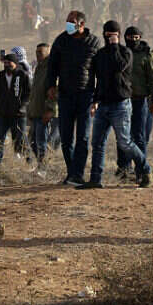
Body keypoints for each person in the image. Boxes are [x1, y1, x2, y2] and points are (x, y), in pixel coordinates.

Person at [78, 20, 153, 189]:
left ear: (119, 36)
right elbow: (99, 80)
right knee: (97, 143)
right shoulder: (100, 55)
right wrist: (95, 101)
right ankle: (95, 179)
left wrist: (114, 46)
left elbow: (119, 67)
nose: (110, 38)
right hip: (103, 105)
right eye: (108, 35)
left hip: (121, 105)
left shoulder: (125, 53)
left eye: (113, 35)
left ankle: (147, 170)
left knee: (125, 142)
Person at [46, 10, 100, 185]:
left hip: (86, 95)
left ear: (81, 24)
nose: (68, 24)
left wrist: (97, 98)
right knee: (66, 137)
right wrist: (51, 85)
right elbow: (52, 66)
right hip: (65, 95)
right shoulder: (61, 41)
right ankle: (72, 173)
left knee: (83, 137)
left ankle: (77, 173)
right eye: (67, 21)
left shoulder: (94, 42)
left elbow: (100, 71)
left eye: (72, 22)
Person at [121, 26, 153, 177]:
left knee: (139, 137)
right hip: (123, 100)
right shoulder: (122, 52)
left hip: (141, 100)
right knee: (124, 136)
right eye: (130, 37)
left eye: (136, 37)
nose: (133, 40)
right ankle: (125, 169)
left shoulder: (147, 54)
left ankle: (141, 171)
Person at [0, 53, 31, 164]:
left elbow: (28, 94)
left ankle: (29, 160)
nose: (7, 65)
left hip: (18, 114)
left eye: (9, 63)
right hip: (3, 113)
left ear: (15, 63)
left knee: (21, 137)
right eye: (5, 63)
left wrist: (22, 107)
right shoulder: (0, 76)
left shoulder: (22, 75)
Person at [26, 43, 57, 166]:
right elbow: (35, 91)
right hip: (36, 111)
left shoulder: (52, 68)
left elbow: (54, 90)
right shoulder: (39, 67)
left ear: (48, 52)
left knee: (41, 142)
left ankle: (43, 167)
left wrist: (50, 109)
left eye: (40, 52)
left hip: (44, 112)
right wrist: (30, 111)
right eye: (36, 52)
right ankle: (41, 164)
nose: (37, 54)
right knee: (32, 141)